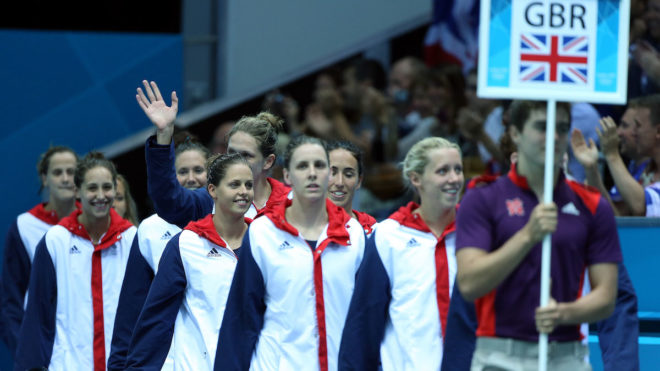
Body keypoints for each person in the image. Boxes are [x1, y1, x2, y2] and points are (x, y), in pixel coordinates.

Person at [455, 100, 621, 370]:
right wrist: (527, 235)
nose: (554, 137)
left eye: (562, 128)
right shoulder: (482, 199)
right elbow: (470, 284)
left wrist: (564, 313)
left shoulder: (592, 205)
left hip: (568, 358)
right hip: (498, 357)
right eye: (542, 127)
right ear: (515, 134)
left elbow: (606, 297)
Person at [213, 136, 366, 371]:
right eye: (303, 166)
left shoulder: (354, 233)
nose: (312, 173)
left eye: (320, 165)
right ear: (287, 175)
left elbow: (365, 319)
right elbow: (241, 319)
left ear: (328, 173)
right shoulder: (263, 232)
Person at [339, 137, 464, 370]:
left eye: (458, 169)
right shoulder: (389, 235)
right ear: (416, 178)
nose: (454, 178)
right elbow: (365, 319)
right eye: (443, 171)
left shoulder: (475, 232)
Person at [124, 153, 253, 370]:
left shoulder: (265, 239)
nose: (243, 191)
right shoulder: (186, 244)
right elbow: (156, 318)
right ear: (212, 190)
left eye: (248, 185)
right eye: (234, 184)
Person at [14, 152, 137, 371]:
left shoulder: (133, 239)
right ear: (77, 191)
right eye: (92, 188)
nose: (101, 195)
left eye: (107, 187)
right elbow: (37, 315)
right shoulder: (56, 241)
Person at [107, 139, 211, 370]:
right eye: (182, 171)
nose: (191, 178)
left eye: (199, 170)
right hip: (168, 360)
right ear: (170, 177)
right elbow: (133, 306)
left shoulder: (230, 224)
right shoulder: (150, 230)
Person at [136, 80, 289, 226]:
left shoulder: (290, 201)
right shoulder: (211, 199)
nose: (236, 161)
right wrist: (164, 134)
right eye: (231, 152)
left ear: (268, 161)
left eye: (246, 155)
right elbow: (169, 202)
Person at [0, 146, 78, 354]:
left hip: (89, 344)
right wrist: (25, 354)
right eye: (57, 172)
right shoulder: (24, 227)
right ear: (45, 178)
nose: (65, 178)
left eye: (71, 172)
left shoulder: (95, 221)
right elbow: (11, 301)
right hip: (44, 346)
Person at [326, 140, 376, 234]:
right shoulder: (301, 226)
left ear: (359, 181)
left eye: (348, 175)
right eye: (332, 173)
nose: (339, 182)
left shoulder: (371, 229)